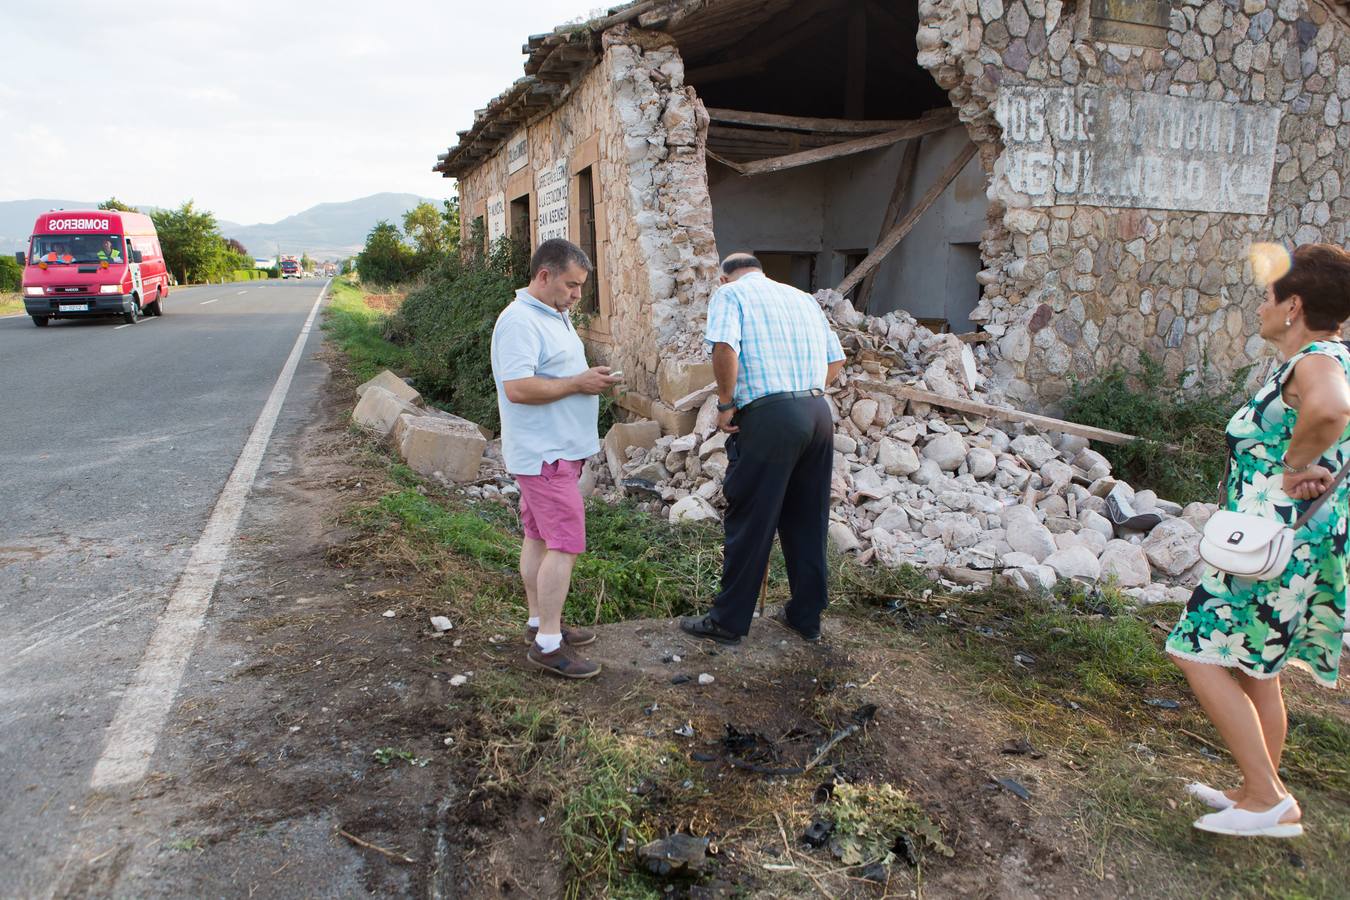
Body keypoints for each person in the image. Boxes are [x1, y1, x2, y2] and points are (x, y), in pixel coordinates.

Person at [1166, 243, 1350, 838]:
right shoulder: (1333, 355)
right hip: (1295, 543)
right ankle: (1255, 788)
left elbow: (1330, 410)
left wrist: (1294, 464)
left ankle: (1268, 799)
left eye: (1267, 296)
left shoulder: (1317, 361)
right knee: (1256, 666)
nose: (1261, 306)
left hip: (1277, 540)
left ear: (1292, 305)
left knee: (1194, 648)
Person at [680, 253, 845, 647]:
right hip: (817, 413)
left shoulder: (731, 295)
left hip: (771, 416)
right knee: (808, 518)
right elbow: (836, 359)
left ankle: (728, 621)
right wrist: (803, 390)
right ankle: (806, 617)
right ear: (762, 271)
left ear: (724, 279)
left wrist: (725, 403)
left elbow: (724, 347)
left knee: (751, 519)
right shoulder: (801, 298)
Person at [490, 237, 620, 679]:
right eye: (571, 285)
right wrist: (578, 384)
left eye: (581, 286)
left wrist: (586, 380)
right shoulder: (520, 321)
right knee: (564, 544)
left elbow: (552, 376)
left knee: (539, 539)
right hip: (546, 456)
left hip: (553, 451)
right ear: (544, 276)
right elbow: (518, 388)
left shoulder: (552, 314)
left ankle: (537, 622)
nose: (577, 295)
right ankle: (548, 644)